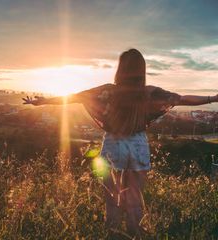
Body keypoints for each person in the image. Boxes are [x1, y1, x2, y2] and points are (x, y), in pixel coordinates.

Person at [22, 49, 218, 237]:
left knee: (112, 199)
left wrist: (42, 101)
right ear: (141, 70)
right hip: (138, 145)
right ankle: (135, 233)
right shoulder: (149, 93)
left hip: (113, 145)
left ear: (120, 69)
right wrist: (213, 98)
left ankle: (113, 234)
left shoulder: (107, 91)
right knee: (135, 198)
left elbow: (74, 97)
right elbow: (182, 99)